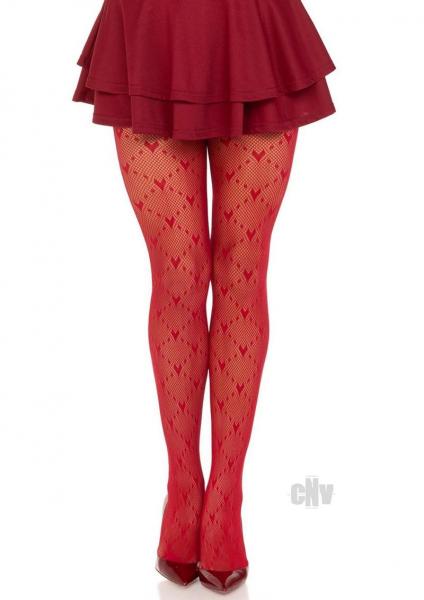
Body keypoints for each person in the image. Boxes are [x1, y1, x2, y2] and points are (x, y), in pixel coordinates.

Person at [72, 0, 336, 593]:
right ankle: (183, 487)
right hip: (150, 28)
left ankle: (227, 496)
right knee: (178, 276)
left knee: (242, 272)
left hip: (253, 27)